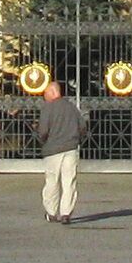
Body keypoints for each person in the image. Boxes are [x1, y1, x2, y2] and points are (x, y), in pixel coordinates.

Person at [35, 77, 86, 225]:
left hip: (52, 150)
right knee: (69, 181)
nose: (44, 96)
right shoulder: (71, 107)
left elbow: (43, 130)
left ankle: (51, 212)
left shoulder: (48, 108)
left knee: (52, 181)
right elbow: (82, 126)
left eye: (45, 93)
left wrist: (43, 141)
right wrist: (77, 140)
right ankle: (65, 213)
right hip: (70, 148)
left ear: (52, 92)